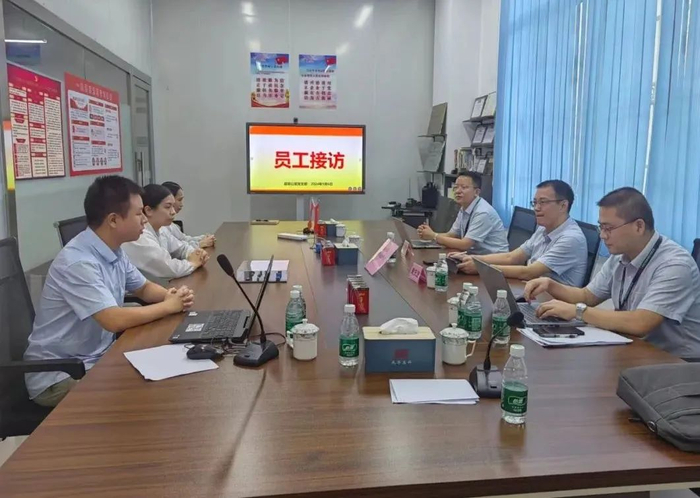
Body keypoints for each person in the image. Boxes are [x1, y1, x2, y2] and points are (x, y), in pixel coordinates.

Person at [24, 176, 195, 407]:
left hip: (95, 358)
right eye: (138, 213)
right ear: (113, 220)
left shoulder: (113, 249)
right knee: (141, 395)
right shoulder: (78, 262)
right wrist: (167, 307)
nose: (145, 219)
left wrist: (171, 296)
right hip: (59, 376)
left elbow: (143, 288)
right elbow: (113, 320)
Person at [524, 187, 700, 359]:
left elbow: (641, 322)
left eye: (608, 228)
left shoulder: (675, 264)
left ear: (639, 226)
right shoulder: (621, 255)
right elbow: (587, 296)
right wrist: (550, 285)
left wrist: (577, 311)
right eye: (601, 227)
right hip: (634, 348)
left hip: (676, 363)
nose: (602, 236)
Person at [453, 179, 588, 286]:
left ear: (563, 205)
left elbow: (529, 272)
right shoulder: (543, 229)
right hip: (533, 292)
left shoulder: (571, 238)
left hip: (555, 304)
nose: (536, 208)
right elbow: (512, 257)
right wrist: (475, 259)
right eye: (534, 202)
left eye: (543, 202)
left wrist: (481, 268)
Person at [123, 184, 209, 280]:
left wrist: (195, 253)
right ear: (148, 210)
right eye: (168, 207)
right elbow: (168, 268)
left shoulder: (162, 229)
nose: (173, 212)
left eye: (173, 206)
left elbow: (181, 248)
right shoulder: (139, 236)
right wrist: (192, 263)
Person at [416, 172, 508, 255]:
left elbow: (465, 244)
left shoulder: (483, 212)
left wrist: (434, 236)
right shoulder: (464, 208)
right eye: (456, 187)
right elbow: (452, 235)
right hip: (475, 256)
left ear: (476, 192)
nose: (458, 191)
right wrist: (430, 234)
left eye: (464, 187)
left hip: (494, 261)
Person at [161, 181, 215, 249]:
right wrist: (199, 244)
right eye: (179, 200)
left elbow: (183, 239)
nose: (182, 204)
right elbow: (179, 249)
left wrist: (202, 238)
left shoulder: (171, 225)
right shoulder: (162, 228)